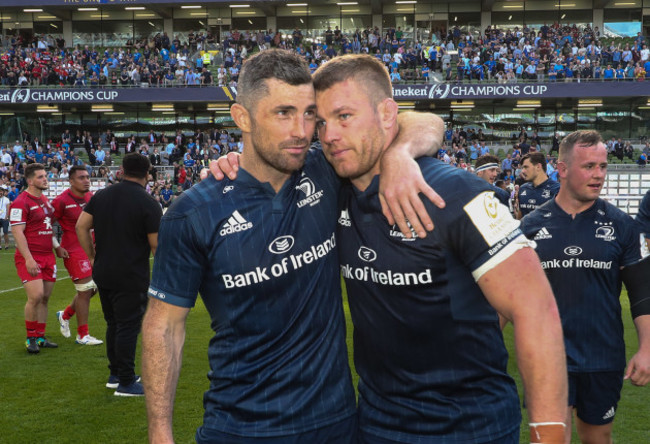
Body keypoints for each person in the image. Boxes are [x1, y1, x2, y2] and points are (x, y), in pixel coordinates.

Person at [143, 49, 443, 444]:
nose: (302, 130)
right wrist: (160, 431)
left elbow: (424, 121)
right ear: (242, 118)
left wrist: (401, 153)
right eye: (283, 113)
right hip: (240, 428)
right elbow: (164, 325)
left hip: (336, 425)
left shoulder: (326, 170)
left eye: (309, 115)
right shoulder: (194, 212)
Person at [312, 54, 567, 443]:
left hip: (471, 427)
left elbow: (536, 310)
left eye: (344, 116)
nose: (329, 135)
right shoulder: (331, 187)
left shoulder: (459, 193)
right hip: (378, 425)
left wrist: (549, 433)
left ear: (386, 114)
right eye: (321, 122)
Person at [520, 130, 650, 444]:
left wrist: (647, 348)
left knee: (597, 438)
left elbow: (642, 293)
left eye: (603, 166)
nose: (598, 175)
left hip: (602, 356)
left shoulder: (623, 225)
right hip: (546, 356)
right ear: (561, 170)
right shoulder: (530, 226)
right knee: (550, 439)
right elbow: (512, 294)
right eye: (589, 166)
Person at [77, 153, 162, 396]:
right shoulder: (148, 203)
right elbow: (156, 246)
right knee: (127, 326)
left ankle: (115, 374)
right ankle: (125, 381)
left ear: (122, 170)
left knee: (114, 323)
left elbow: (81, 226)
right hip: (130, 273)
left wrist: (92, 256)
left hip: (104, 270)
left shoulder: (102, 195)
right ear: (148, 173)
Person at [9, 163, 61, 353]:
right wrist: (29, 259)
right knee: (36, 296)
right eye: (40, 177)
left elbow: (48, 228)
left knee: (45, 298)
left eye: (45, 176)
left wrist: (57, 246)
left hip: (48, 256)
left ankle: (40, 337)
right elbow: (17, 233)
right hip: (30, 257)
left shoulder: (45, 200)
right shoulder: (20, 202)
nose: (45, 179)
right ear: (30, 181)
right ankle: (30, 337)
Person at [51, 166, 103, 346]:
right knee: (86, 289)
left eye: (88, 177)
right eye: (81, 177)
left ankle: (64, 315)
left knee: (93, 289)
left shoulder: (91, 197)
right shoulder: (61, 200)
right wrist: (56, 246)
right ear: (71, 181)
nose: (86, 180)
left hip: (92, 248)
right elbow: (45, 225)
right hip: (73, 250)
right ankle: (83, 335)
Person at [515, 152, 560, 219]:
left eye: (526, 167)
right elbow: (520, 219)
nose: (523, 171)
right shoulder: (523, 189)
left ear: (538, 167)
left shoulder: (557, 189)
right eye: (522, 168)